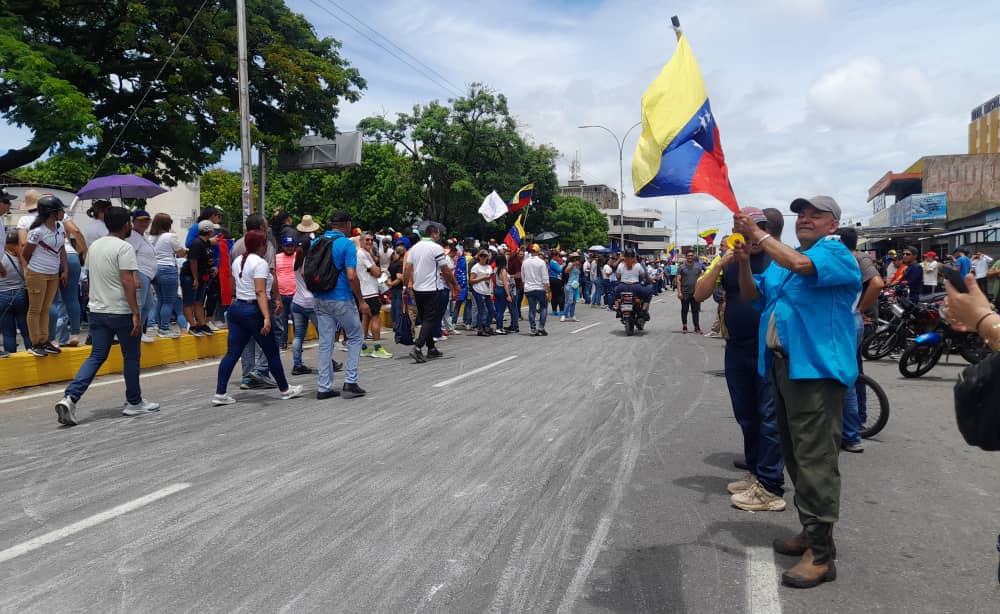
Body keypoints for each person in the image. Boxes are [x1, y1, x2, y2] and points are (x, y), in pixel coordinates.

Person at [733, 195, 860, 589]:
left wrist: (758, 233)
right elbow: (754, 294)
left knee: (816, 461)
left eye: (815, 214)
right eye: (801, 214)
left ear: (833, 224)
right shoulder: (784, 261)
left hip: (815, 373)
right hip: (783, 368)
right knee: (794, 455)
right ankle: (811, 532)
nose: (805, 218)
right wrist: (742, 262)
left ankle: (822, 557)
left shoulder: (833, 254)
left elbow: (801, 265)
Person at [695, 207, 787, 513]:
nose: (752, 235)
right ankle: (755, 471)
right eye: (746, 229)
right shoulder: (732, 261)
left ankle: (770, 479)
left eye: (758, 228)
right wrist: (721, 262)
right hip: (737, 347)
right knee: (746, 414)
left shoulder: (780, 260)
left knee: (769, 417)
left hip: (769, 349)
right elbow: (698, 294)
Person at [55, 206, 160, 425]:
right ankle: (134, 402)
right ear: (126, 225)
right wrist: (135, 313)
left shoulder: (95, 247)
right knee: (131, 357)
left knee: (96, 356)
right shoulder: (124, 248)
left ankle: (70, 397)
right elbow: (127, 281)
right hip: (120, 310)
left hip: (97, 311)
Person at [211, 230, 302, 406]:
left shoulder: (239, 261)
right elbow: (260, 291)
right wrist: (267, 317)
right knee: (272, 352)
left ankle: (220, 392)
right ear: (261, 245)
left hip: (237, 308)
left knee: (232, 353)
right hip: (253, 310)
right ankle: (285, 389)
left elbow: (233, 284)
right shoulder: (259, 263)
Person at [835, 227, 884, 454]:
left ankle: (854, 428)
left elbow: (877, 284)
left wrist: (858, 309)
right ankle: (854, 427)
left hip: (853, 320)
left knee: (848, 377)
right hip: (854, 321)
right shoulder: (850, 257)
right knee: (852, 374)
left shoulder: (855, 257)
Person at [313, 211, 369, 397]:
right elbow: (351, 276)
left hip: (320, 298)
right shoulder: (346, 244)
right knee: (355, 336)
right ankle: (350, 381)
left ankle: (323, 387)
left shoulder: (316, 242)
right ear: (346, 224)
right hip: (341, 298)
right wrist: (361, 300)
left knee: (325, 342)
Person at [404, 222, 459, 362]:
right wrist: (454, 284)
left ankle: (431, 348)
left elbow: (407, 269)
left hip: (418, 289)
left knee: (425, 320)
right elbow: (445, 270)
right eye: (438, 234)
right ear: (434, 233)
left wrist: (406, 286)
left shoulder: (414, 248)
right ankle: (417, 348)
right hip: (432, 289)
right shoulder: (436, 248)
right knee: (431, 319)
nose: (439, 236)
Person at [22, 195, 68, 356]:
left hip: (52, 273)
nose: (63, 213)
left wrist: (65, 269)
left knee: (46, 308)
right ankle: (36, 343)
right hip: (38, 273)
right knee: (35, 309)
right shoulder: (36, 232)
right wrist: (31, 271)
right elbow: (26, 254)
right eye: (61, 210)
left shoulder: (60, 227)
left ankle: (45, 339)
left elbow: (62, 249)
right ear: (51, 212)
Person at [149, 213, 186, 338]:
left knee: (160, 300)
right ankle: (164, 328)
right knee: (168, 301)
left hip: (154, 269)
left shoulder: (150, 238)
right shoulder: (170, 236)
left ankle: (159, 326)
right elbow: (181, 253)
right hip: (168, 269)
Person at [125, 210, 158, 343]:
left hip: (147, 275)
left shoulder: (143, 236)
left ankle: (139, 330)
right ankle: (133, 331)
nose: (144, 223)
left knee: (147, 304)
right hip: (140, 273)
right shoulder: (133, 236)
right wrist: (135, 276)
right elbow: (130, 256)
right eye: (141, 220)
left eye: (147, 220)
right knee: (139, 304)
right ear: (133, 221)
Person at [357, 232, 391, 358]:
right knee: (376, 318)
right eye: (367, 240)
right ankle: (377, 348)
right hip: (369, 291)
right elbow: (377, 272)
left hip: (367, 290)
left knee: (365, 319)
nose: (370, 242)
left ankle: (362, 346)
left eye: (371, 240)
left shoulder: (366, 254)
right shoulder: (363, 254)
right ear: (361, 241)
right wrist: (378, 270)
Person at [181, 220, 214, 336]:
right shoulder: (197, 243)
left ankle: (202, 323)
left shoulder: (207, 243)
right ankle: (192, 325)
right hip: (190, 275)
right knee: (189, 301)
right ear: (209, 231)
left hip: (201, 274)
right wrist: (195, 278)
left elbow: (205, 258)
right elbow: (193, 261)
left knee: (199, 301)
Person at [1, 230, 31, 356]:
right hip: (20, 295)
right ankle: (32, 352)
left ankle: (11, 357)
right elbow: (28, 276)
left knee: (8, 332)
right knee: (26, 329)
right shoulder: (22, 259)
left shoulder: (1, 258)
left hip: (2, 296)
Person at [613, 249, 652, 320]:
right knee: (649, 292)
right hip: (635, 287)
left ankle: (618, 309)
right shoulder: (638, 265)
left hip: (622, 286)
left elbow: (618, 277)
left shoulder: (620, 265)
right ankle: (643, 311)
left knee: (615, 295)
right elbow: (643, 276)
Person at [521, 244, 550, 336]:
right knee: (544, 307)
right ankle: (541, 327)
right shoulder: (541, 262)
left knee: (531, 309)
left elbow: (523, 277)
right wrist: (547, 290)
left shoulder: (525, 262)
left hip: (529, 288)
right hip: (540, 288)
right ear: (538, 251)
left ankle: (533, 328)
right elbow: (545, 278)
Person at [275, 236, 298, 350]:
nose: (289, 248)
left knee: (297, 320)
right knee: (282, 320)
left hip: (295, 293)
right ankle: (282, 342)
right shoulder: (277, 258)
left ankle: (297, 343)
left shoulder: (298, 257)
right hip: (281, 294)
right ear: (283, 246)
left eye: (291, 246)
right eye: (287, 246)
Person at [676, 251, 706, 334]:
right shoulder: (681, 267)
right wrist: (679, 292)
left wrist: (701, 291)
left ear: (693, 257)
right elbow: (678, 280)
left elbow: (701, 280)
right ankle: (684, 326)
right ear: (686, 257)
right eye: (688, 255)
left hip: (695, 293)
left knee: (695, 310)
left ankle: (697, 327)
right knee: (684, 310)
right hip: (684, 292)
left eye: (691, 256)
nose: (690, 257)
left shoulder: (698, 267)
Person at [469, 249, 496, 336]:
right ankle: (480, 329)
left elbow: (491, 280)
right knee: (482, 310)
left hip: (487, 291)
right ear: (479, 257)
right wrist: (482, 278)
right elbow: (471, 280)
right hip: (478, 290)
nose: (483, 258)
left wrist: (491, 292)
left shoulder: (489, 267)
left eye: (485, 256)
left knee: (491, 310)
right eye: (482, 256)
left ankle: (486, 326)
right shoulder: (475, 267)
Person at [492, 252, 512, 333]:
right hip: (502, 290)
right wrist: (508, 295)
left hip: (497, 289)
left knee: (498, 309)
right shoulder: (503, 270)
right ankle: (499, 327)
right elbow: (505, 283)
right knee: (501, 310)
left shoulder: (495, 269)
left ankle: (499, 327)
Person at [562, 253, 581, 322]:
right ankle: (564, 315)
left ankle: (572, 315)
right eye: (575, 257)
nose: (576, 258)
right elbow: (566, 271)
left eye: (577, 257)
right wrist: (573, 264)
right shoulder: (570, 264)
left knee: (574, 301)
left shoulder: (579, 265)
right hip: (570, 285)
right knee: (569, 301)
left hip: (575, 285)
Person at [548, 251, 565, 315]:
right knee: (560, 295)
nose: (558, 257)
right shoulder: (554, 262)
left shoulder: (551, 261)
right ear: (555, 256)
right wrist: (563, 266)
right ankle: (561, 311)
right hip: (556, 279)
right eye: (558, 256)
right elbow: (559, 270)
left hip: (552, 279)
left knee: (554, 295)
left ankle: (554, 311)